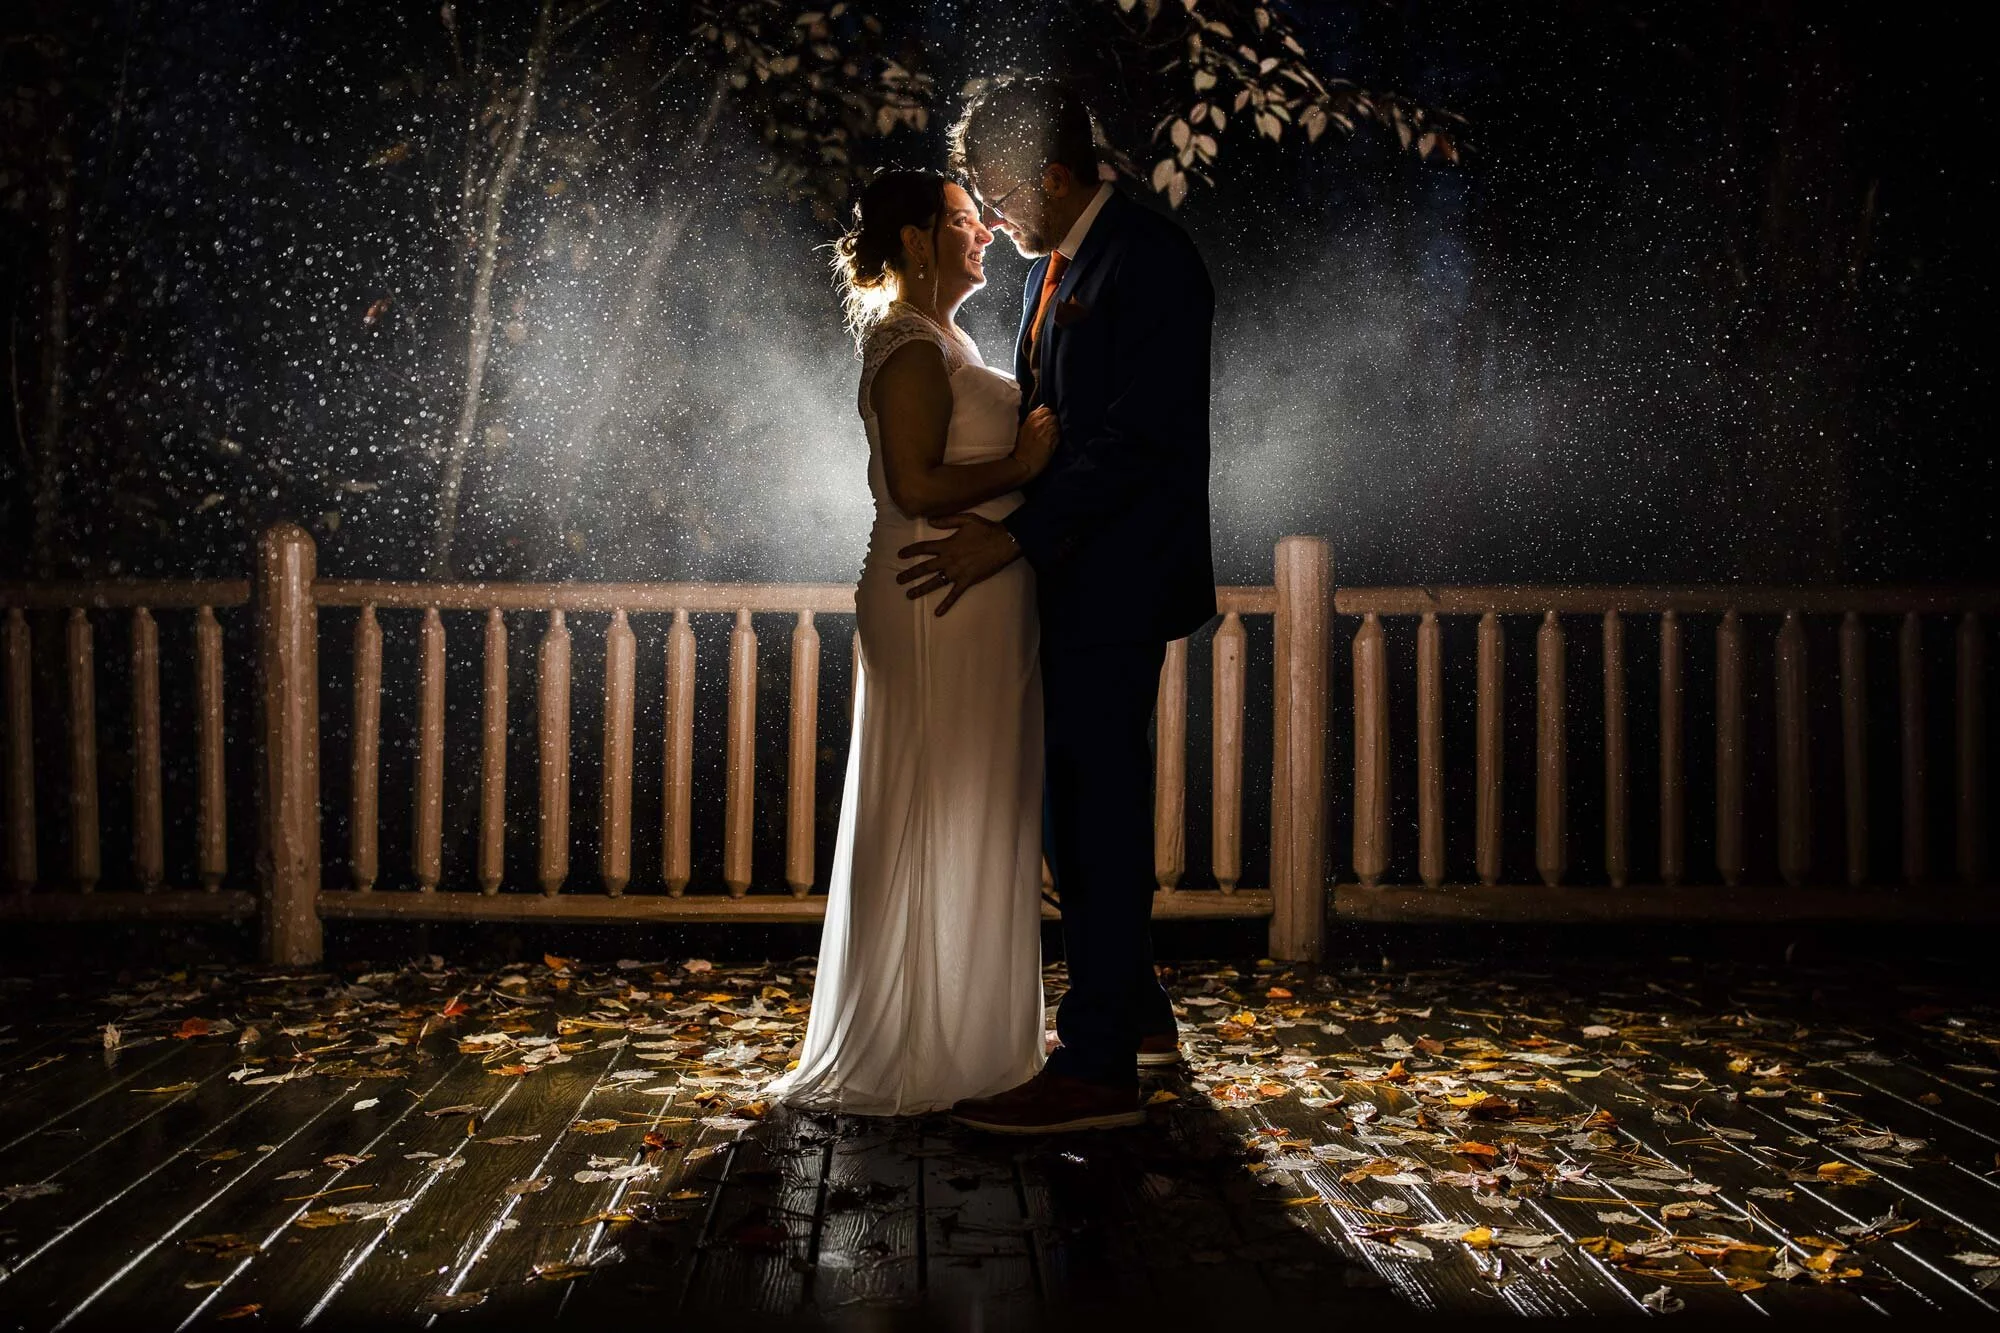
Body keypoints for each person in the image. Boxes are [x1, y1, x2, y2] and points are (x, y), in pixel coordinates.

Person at [899, 75, 1218, 1134]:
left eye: (994, 189)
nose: (987, 214)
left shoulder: (1149, 258)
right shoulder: (1061, 268)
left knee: (1092, 809)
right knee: (1074, 805)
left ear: (1048, 174)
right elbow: (1048, 423)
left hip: (1117, 577)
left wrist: (1012, 535)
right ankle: (1132, 1012)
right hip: (1069, 581)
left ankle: (1094, 1068)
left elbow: (1133, 441)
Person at [765, 170, 1060, 1114]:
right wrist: (1022, 464)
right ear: (919, 240)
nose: (988, 232)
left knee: (976, 803)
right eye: (968, 222)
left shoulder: (950, 338)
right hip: (933, 595)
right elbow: (914, 485)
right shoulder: (904, 346)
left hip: (977, 597)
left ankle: (969, 1032)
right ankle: (915, 1046)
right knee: (932, 804)